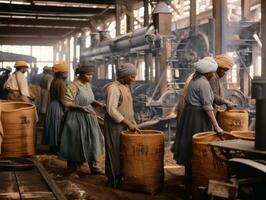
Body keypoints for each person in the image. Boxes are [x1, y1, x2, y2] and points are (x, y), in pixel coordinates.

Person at [172, 57, 224, 187]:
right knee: (197, 145)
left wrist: (225, 101)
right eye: (212, 72)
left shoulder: (195, 80)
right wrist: (217, 126)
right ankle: (197, 178)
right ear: (207, 72)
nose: (213, 75)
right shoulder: (204, 83)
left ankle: (188, 176)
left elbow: (211, 96)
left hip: (188, 114)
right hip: (197, 117)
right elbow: (207, 107)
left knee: (189, 145)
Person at [59, 63, 104, 176]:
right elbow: (66, 102)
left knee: (92, 140)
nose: (90, 77)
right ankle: (73, 169)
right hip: (76, 118)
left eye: (91, 75)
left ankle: (94, 166)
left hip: (89, 116)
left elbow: (89, 99)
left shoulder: (87, 85)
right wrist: (81, 107)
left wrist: (98, 103)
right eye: (88, 75)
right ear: (81, 74)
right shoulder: (73, 86)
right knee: (76, 142)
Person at [104, 62, 139, 188]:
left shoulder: (125, 87)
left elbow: (129, 108)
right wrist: (127, 122)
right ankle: (113, 178)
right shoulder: (113, 88)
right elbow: (111, 110)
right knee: (114, 150)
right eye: (132, 77)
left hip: (126, 124)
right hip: (115, 125)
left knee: (123, 151)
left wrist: (133, 122)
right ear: (123, 76)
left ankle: (122, 175)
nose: (134, 80)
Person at [42, 63, 68, 152]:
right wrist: (66, 109)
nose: (67, 74)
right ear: (61, 73)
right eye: (65, 72)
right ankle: (57, 149)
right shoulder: (61, 83)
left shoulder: (54, 80)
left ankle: (53, 148)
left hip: (52, 105)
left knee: (53, 127)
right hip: (58, 106)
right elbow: (62, 99)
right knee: (58, 127)